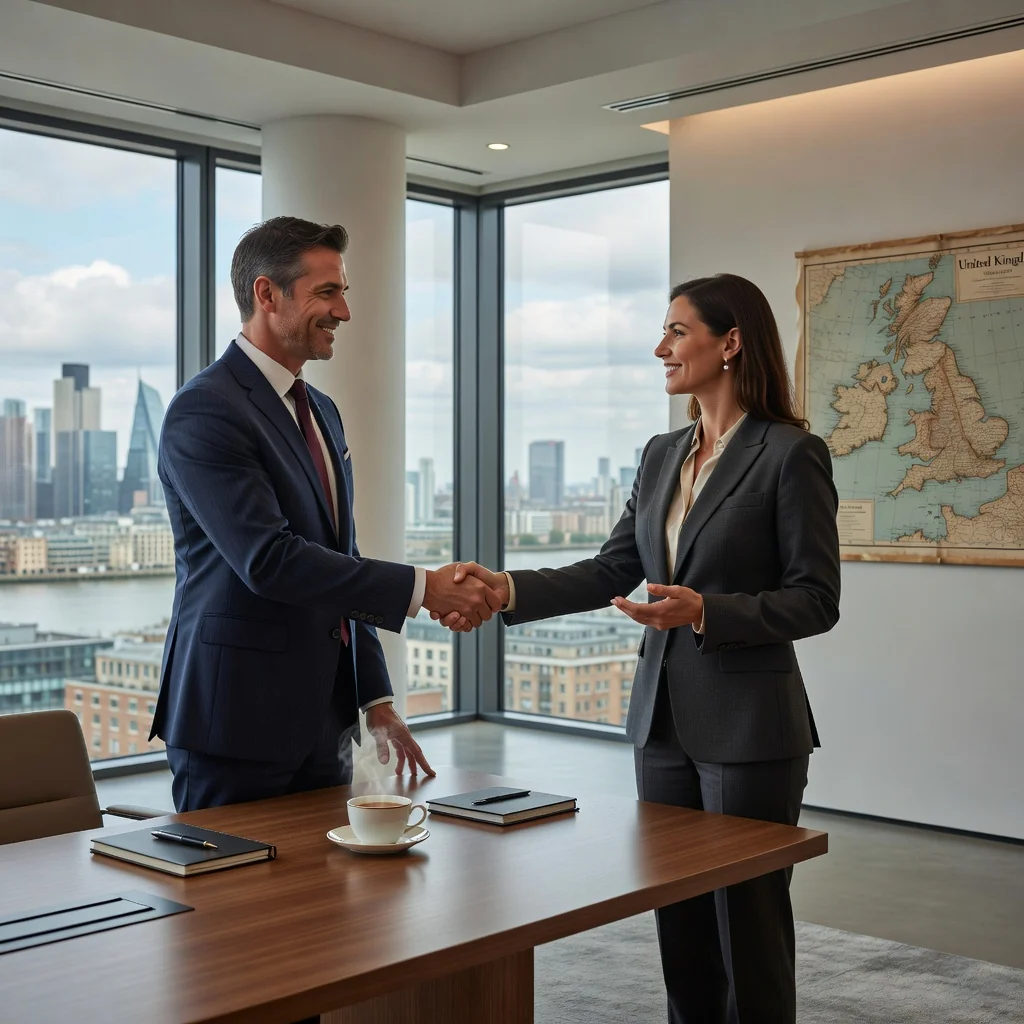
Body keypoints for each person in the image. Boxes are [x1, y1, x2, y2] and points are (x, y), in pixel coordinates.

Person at [443, 274, 841, 1023]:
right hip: (659, 723)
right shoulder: (661, 454)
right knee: (681, 921)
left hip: (751, 728)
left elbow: (816, 599)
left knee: (747, 922)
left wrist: (705, 612)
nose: (661, 348)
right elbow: (612, 568)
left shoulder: (791, 454)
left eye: (677, 331)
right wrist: (505, 588)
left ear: (729, 344)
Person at [153, 215, 502, 813]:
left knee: (327, 901)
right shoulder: (205, 410)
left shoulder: (323, 410)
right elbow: (269, 560)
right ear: (267, 294)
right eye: (327, 292)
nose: (344, 311)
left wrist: (375, 701)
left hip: (325, 722)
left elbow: (339, 566)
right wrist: (425, 589)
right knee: (235, 905)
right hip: (235, 721)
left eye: (343, 292)